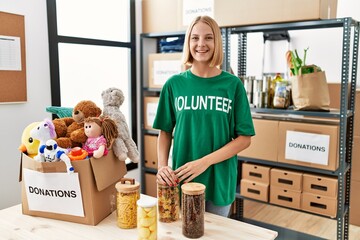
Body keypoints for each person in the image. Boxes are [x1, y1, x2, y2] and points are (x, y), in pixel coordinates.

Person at [153, 15, 255, 217]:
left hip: (220, 180)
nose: (201, 44)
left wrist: (204, 162)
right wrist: (162, 166)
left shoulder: (233, 85)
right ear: (188, 42)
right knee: (185, 233)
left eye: (208, 38)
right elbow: (165, 132)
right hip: (183, 179)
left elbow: (244, 139)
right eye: (195, 38)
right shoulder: (174, 84)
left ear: (217, 42)